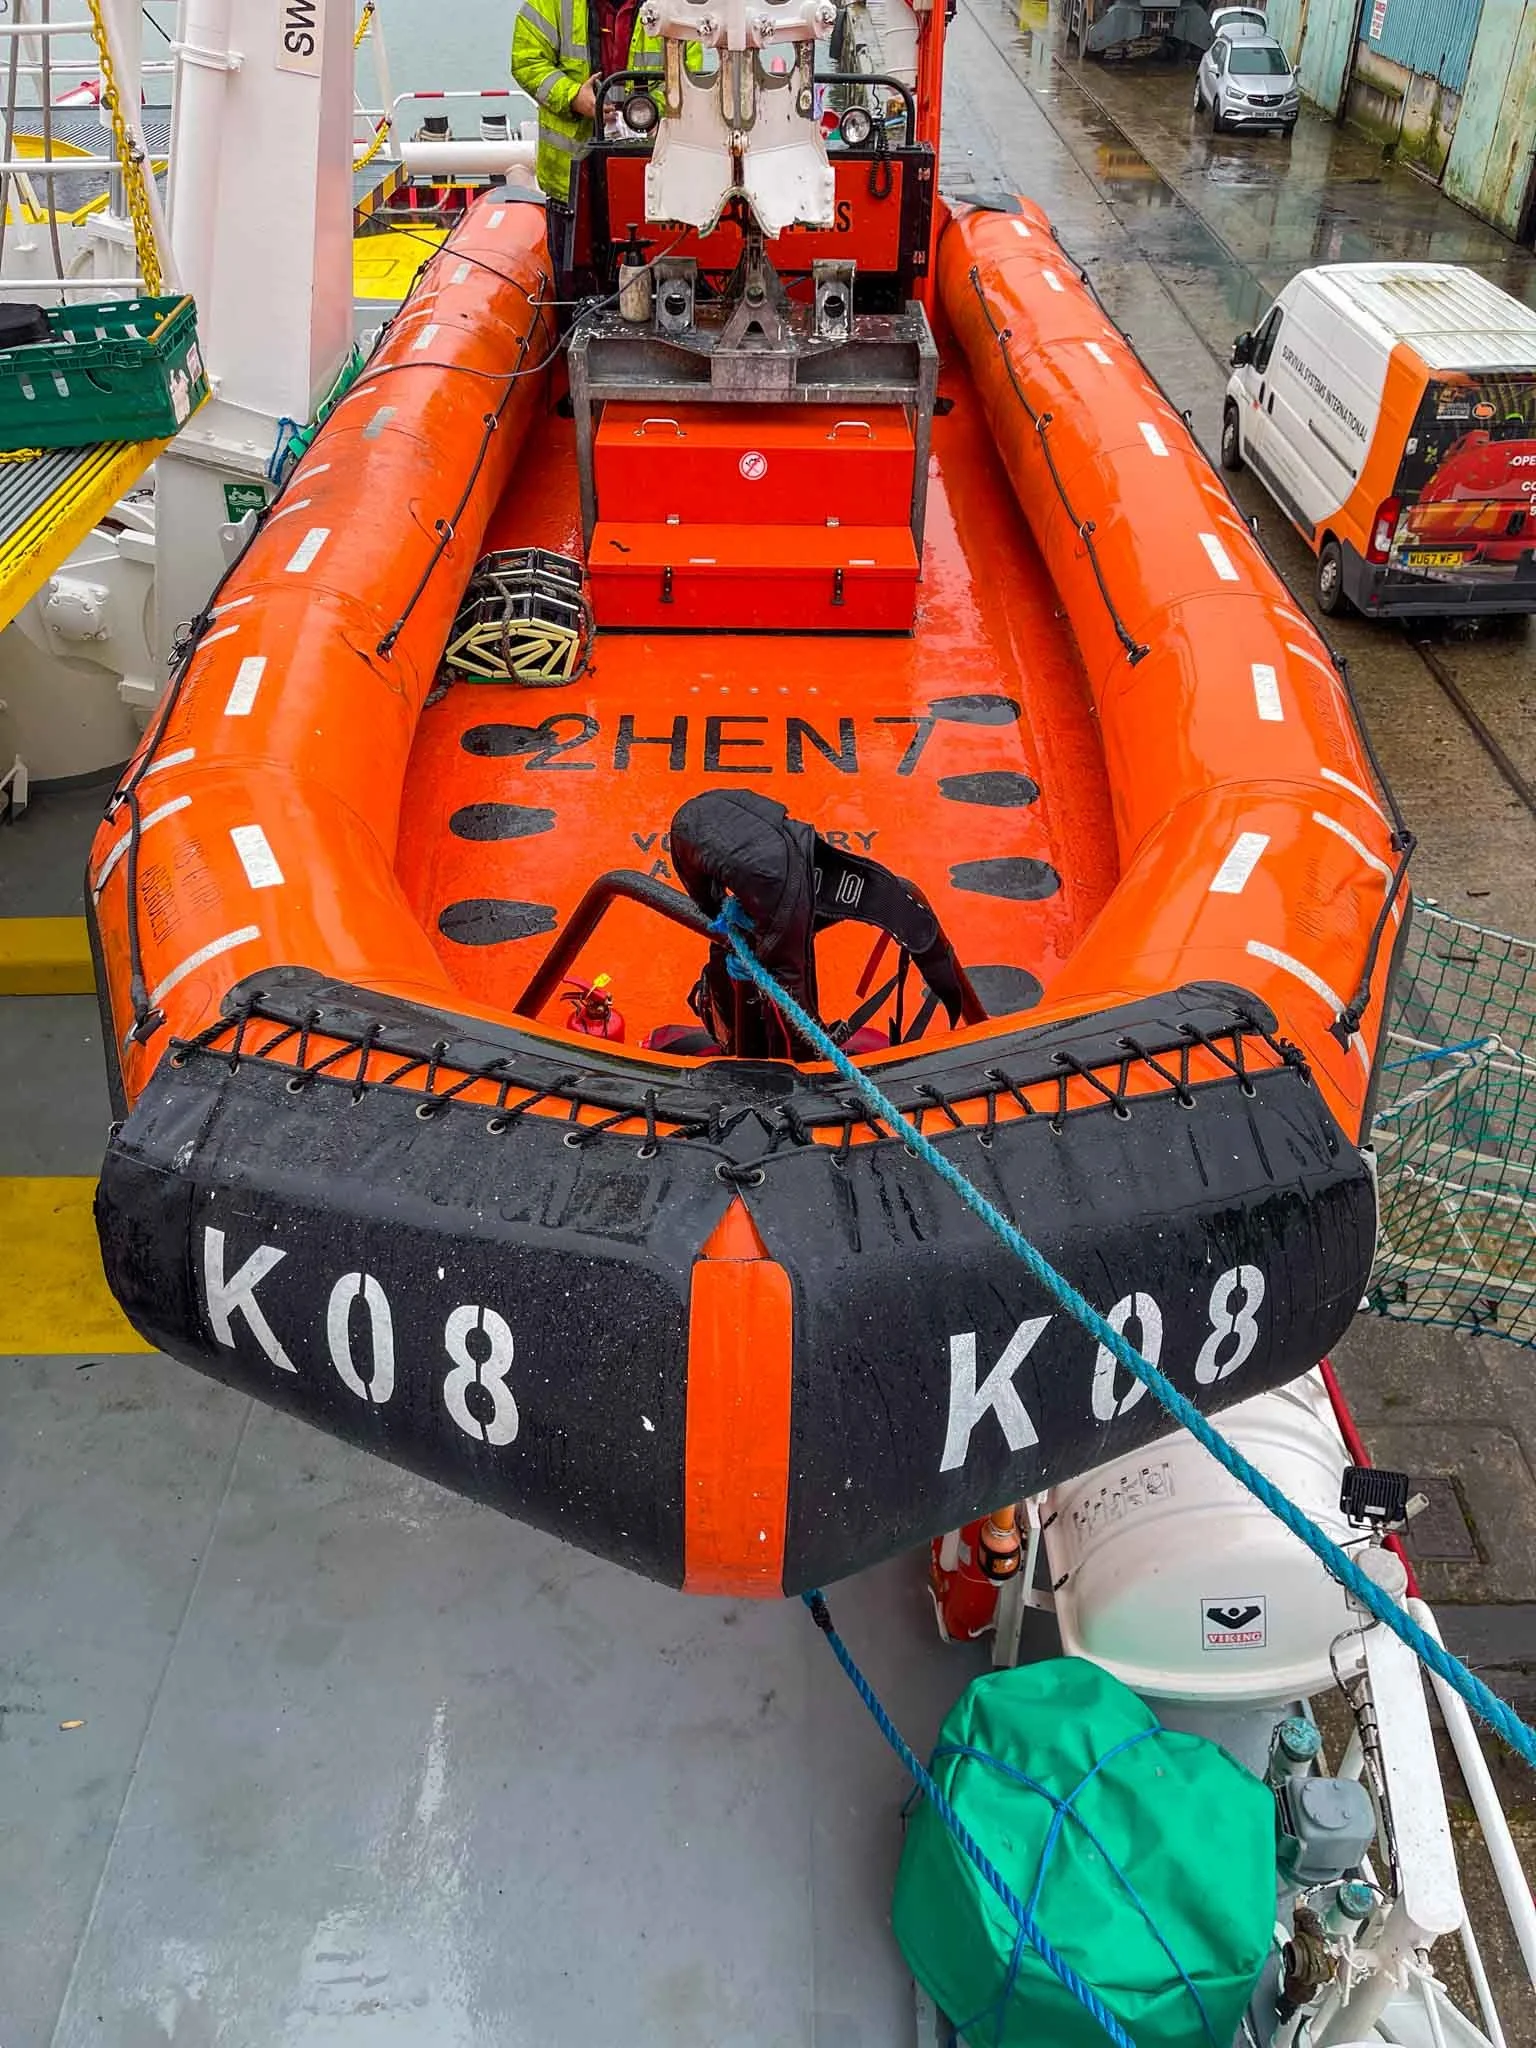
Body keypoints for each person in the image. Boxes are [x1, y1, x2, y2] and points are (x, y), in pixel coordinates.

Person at [511, 0, 663, 273]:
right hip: (572, 182)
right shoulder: (551, 4)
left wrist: (652, 110)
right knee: (576, 278)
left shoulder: (674, 5)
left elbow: (685, 74)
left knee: (658, 276)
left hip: (651, 179)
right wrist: (573, 97)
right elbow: (527, 61)